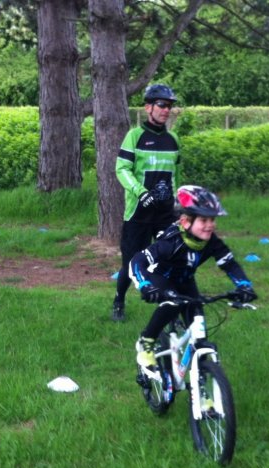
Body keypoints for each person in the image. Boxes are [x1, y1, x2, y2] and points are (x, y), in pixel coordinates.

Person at [129, 185, 257, 376]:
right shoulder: (171, 242)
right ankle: (147, 341)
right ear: (185, 221)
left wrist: (244, 286)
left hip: (185, 281)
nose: (210, 225)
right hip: (161, 278)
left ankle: (202, 390)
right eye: (203, 220)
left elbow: (230, 264)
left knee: (200, 334)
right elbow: (137, 261)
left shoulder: (211, 241)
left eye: (212, 219)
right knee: (172, 303)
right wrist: (145, 286)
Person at [112, 83, 182, 322]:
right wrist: (141, 192)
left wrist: (179, 205)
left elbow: (175, 176)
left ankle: (170, 308)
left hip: (165, 215)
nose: (166, 110)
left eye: (169, 106)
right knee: (131, 263)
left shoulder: (173, 140)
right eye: (161, 105)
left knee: (171, 260)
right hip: (138, 213)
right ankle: (119, 300)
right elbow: (121, 170)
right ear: (148, 107)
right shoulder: (134, 136)